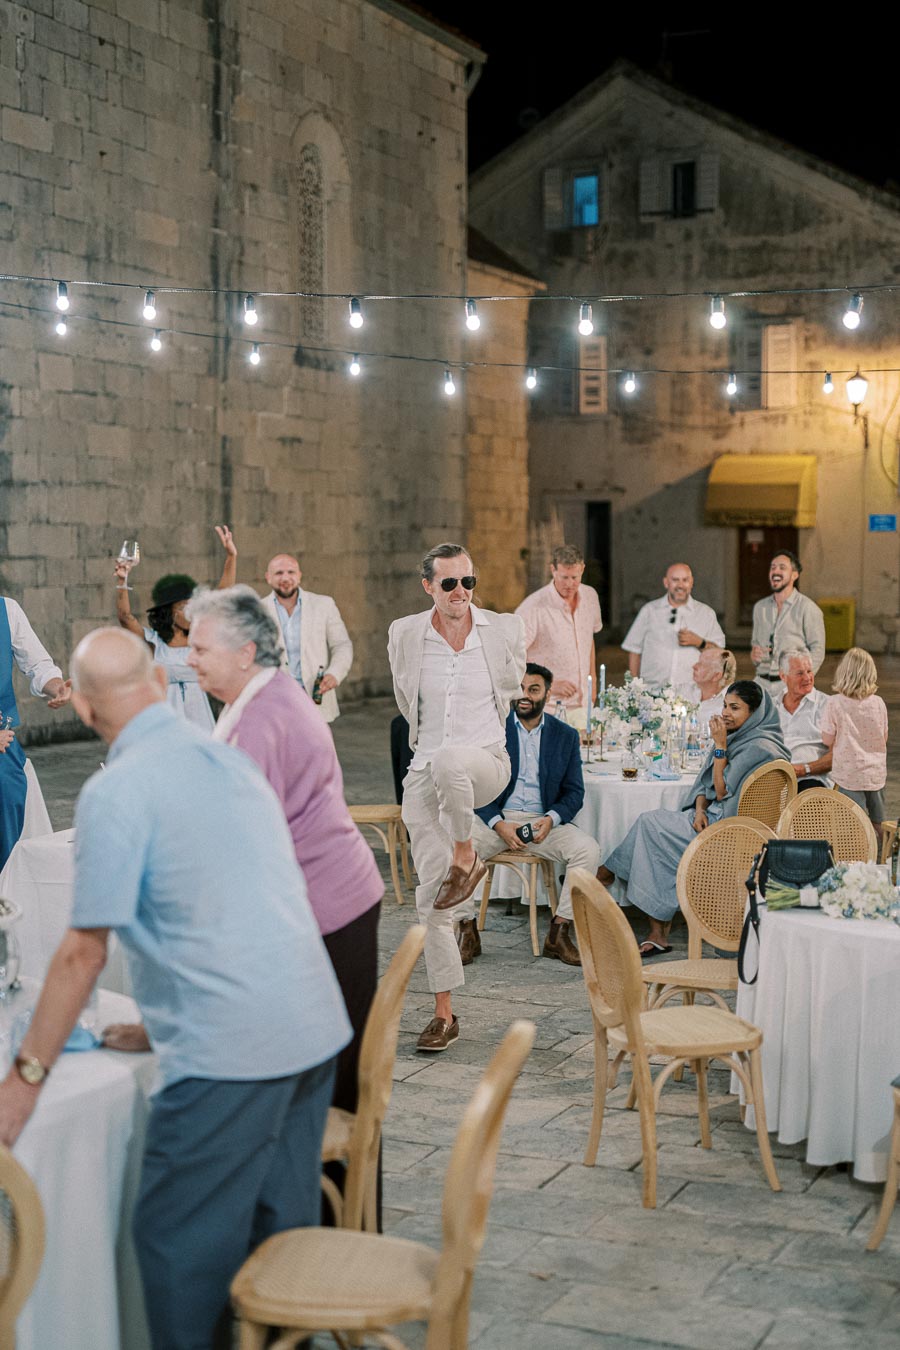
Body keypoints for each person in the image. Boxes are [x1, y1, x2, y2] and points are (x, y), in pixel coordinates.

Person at [0, 628, 350, 1350]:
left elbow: (81, 954)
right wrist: (159, 1024)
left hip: (234, 1051)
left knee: (172, 1247)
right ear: (160, 685)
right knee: (276, 1237)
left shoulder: (116, 790)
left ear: (85, 711)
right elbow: (244, 903)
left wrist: (25, 1080)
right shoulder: (230, 758)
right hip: (313, 1026)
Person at [184, 585, 384, 1127]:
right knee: (332, 1072)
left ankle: (333, 1179)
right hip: (335, 894)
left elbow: (242, 846)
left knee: (333, 1082)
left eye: (200, 648)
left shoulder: (260, 719)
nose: (189, 658)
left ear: (244, 652)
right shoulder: (267, 693)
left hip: (327, 906)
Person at [388, 543, 525, 1052]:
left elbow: (512, 688)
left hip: (485, 761)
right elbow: (407, 703)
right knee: (431, 899)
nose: (460, 592)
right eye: (448, 583)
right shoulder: (405, 634)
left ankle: (467, 853)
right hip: (425, 772)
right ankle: (444, 1013)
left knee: (451, 760)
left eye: (468, 582)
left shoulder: (503, 630)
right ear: (428, 586)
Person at [598, 682, 788, 955]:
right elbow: (705, 785)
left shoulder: (759, 747)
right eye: (725, 705)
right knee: (654, 830)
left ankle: (609, 873)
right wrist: (699, 810)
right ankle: (649, 920)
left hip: (731, 832)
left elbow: (720, 790)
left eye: (735, 708)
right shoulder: (741, 737)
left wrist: (720, 746)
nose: (726, 713)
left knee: (650, 825)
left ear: (755, 712)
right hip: (712, 818)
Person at [457, 663, 600, 968]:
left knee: (588, 850)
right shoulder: (493, 730)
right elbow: (475, 785)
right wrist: (498, 824)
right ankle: (467, 930)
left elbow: (574, 792)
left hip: (542, 820)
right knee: (461, 848)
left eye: (533, 689)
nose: (525, 695)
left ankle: (559, 932)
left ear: (547, 694)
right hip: (499, 818)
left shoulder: (565, 735)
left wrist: (551, 819)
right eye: (520, 688)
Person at [114, 524, 237, 730]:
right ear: (170, 613)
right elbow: (125, 617)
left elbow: (222, 597)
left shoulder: (199, 639)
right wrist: (122, 580)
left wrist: (231, 556)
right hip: (165, 718)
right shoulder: (155, 642)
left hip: (199, 718)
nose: (191, 611)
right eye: (183, 607)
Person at [0, 592, 71, 869]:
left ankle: (6, 879)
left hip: (2, 740)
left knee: (8, 787)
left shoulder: (7, 610)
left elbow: (38, 664)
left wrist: (57, 687)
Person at [261, 553, 353, 724]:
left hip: (314, 696)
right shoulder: (258, 610)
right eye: (279, 573)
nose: (285, 578)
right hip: (274, 698)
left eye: (291, 572)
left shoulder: (323, 604)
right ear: (268, 577)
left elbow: (341, 644)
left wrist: (334, 673)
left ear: (299, 575)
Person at [516, 544, 602, 708]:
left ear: (582, 569)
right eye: (564, 577)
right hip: (547, 707)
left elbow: (588, 640)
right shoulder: (532, 607)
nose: (569, 584)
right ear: (553, 570)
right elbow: (510, 657)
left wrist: (593, 682)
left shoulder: (590, 596)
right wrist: (547, 683)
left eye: (574, 577)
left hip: (583, 705)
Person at [622, 563, 726, 700]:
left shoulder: (706, 613)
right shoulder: (650, 610)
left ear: (691, 582)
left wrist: (699, 642)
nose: (680, 585)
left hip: (691, 697)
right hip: (652, 695)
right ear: (666, 583)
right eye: (675, 580)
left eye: (685, 580)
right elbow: (634, 650)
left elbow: (720, 654)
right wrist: (634, 689)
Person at [820, 647, 888, 833]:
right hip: (875, 773)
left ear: (843, 673)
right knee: (878, 821)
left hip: (848, 774)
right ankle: (883, 849)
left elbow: (827, 739)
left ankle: (858, 850)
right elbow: (883, 737)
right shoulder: (878, 703)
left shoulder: (834, 703)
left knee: (852, 823)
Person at [751, 550, 826, 684]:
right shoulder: (760, 607)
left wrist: (801, 680)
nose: (775, 571)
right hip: (761, 683)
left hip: (790, 685)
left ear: (794, 575)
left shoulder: (808, 608)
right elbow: (755, 646)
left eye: (782, 567)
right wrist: (755, 655)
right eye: (773, 567)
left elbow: (818, 651)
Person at [772, 647, 833, 789]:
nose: (807, 678)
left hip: (811, 778)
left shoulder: (827, 705)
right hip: (773, 778)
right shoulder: (771, 706)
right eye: (800, 673)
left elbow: (838, 754)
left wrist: (804, 769)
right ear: (783, 676)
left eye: (809, 671)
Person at [693, 646, 738, 724]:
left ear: (716, 676)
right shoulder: (683, 690)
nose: (694, 666)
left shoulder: (731, 705)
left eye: (702, 664)